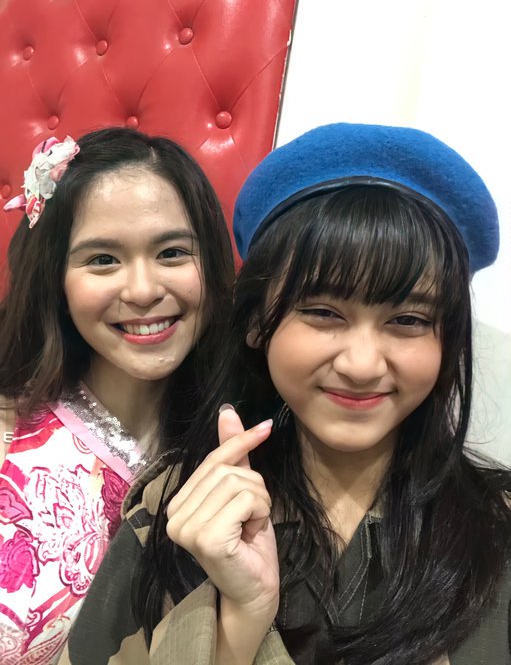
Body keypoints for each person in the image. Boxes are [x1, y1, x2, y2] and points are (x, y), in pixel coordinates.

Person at [64, 123, 510, 665]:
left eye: (409, 320)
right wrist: (238, 624)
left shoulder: (497, 527)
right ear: (258, 322)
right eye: (323, 313)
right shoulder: (173, 509)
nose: (362, 365)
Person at [0, 127, 234, 664]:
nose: (144, 290)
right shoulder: (9, 428)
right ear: (56, 279)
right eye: (103, 259)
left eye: (172, 252)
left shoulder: (238, 448)